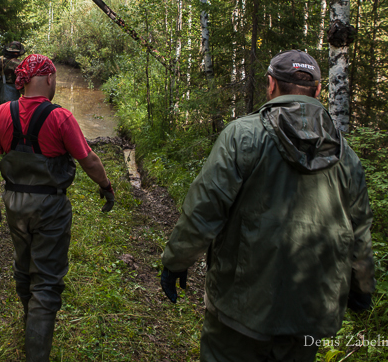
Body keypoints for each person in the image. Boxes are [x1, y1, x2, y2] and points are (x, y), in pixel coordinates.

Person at [159, 50, 375, 362]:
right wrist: (362, 288)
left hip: (240, 310)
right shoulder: (346, 157)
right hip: (309, 314)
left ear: (271, 84)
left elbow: (205, 207)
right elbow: (360, 232)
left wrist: (177, 261)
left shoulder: (243, 136)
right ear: (317, 91)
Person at [0, 54, 116, 362]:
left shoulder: (1, 113)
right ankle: (37, 348)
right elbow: (89, 160)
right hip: (50, 208)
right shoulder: (60, 117)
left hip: (14, 204)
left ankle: (32, 322)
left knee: (23, 265)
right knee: (47, 281)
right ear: (50, 78)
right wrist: (106, 186)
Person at [0, 41, 24, 109]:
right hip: (12, 92)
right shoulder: (19, 64)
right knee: (10, 112)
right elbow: (21, 81)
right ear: (17, 52)